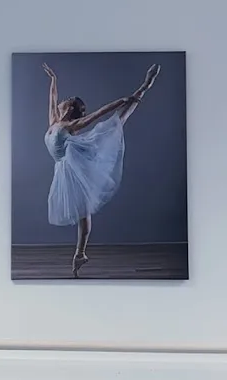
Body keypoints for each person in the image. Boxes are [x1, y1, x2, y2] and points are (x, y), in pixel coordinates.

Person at [42, 62, 161, 276]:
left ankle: (145, 86)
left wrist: (120, 101)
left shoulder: (70, 126)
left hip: (76, 162)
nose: (61, 101)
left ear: (69, 108)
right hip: (66, 167)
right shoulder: (54, 122)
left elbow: (96, 115)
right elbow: (52, 98)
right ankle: (80, 254)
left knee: (116, 123)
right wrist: (53, 79)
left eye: (66, 100)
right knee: (83, 211)